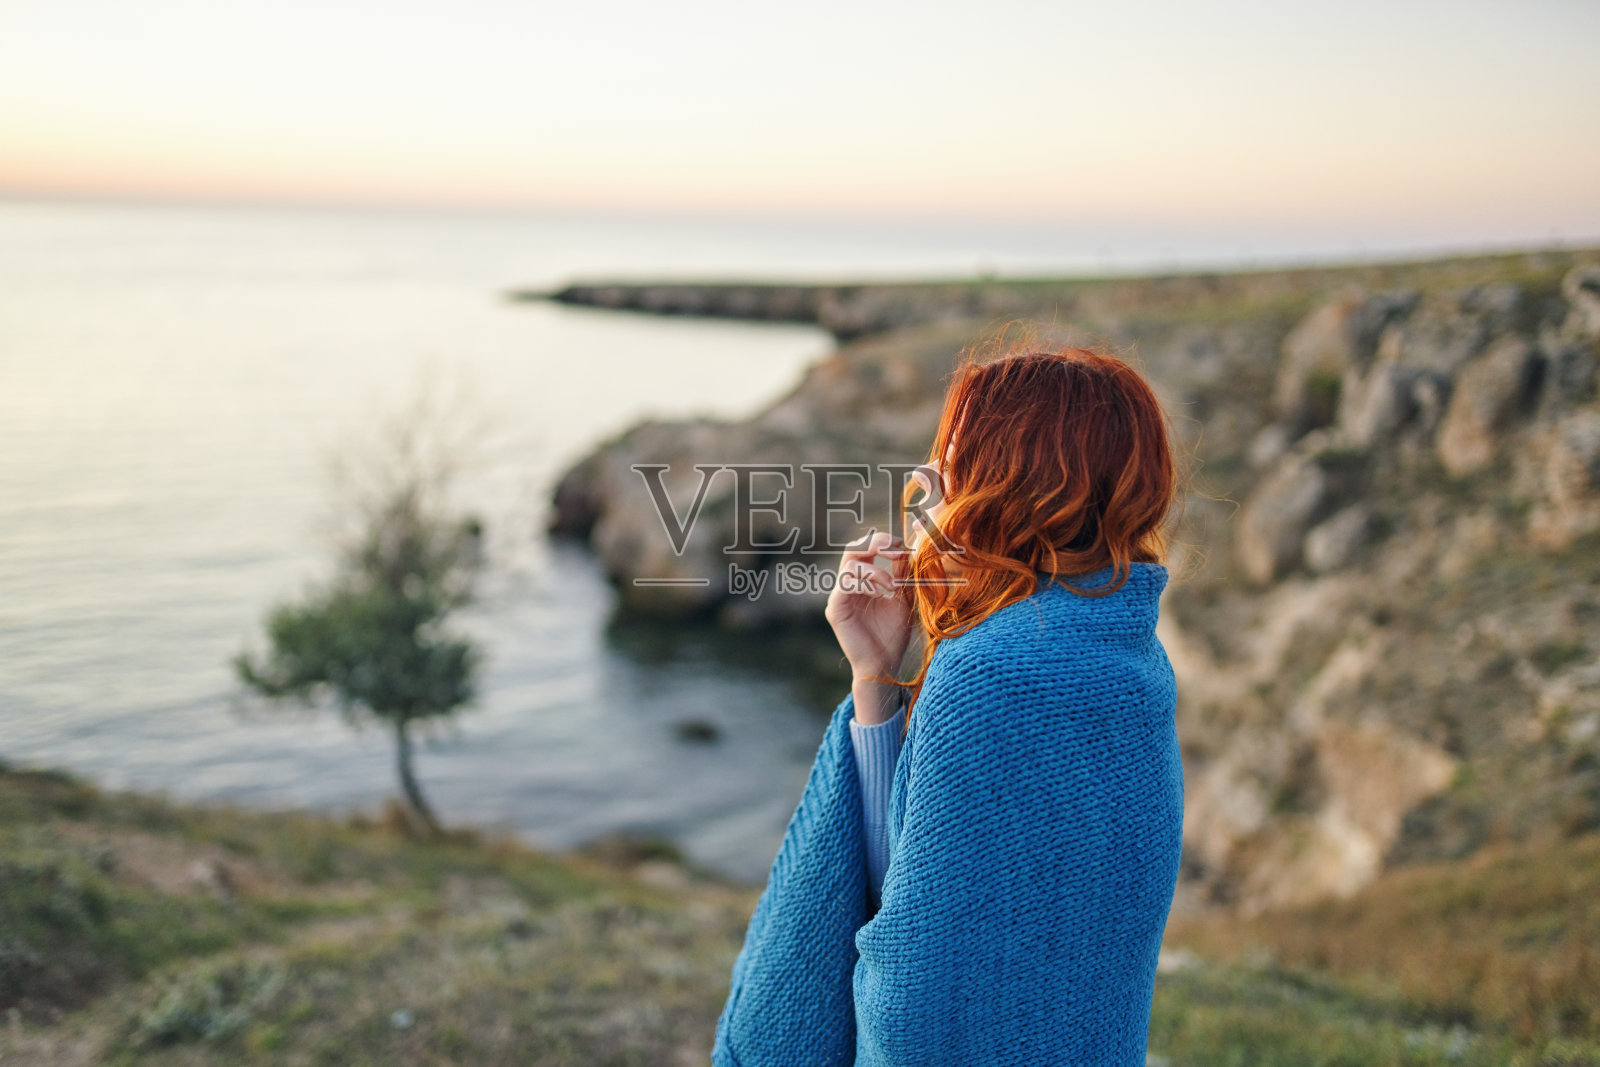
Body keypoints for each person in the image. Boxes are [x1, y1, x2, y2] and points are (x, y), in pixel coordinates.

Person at [713, 338, 1188, 1067]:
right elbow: (917, 878)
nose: (925, 478)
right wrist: (875, 677)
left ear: (1014, 482)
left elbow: (917, 989)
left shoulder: (988, 673)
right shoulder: (1132, 660)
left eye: (956, 455)